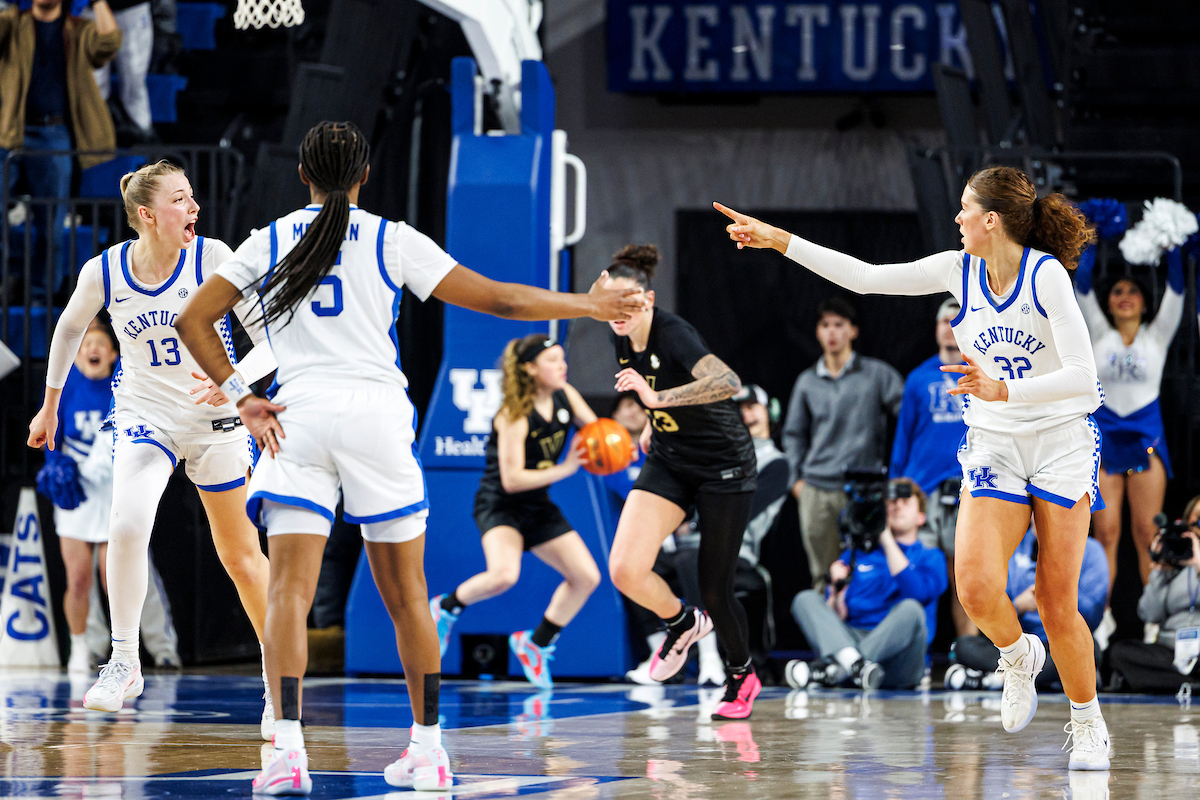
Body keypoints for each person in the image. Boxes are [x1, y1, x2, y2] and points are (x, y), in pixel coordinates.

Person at [173, 121, 645, 795]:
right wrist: (588, 306)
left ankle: (287, 753)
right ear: (365, 176)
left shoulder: (268, 239)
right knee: (409, 599)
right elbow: (503, 299)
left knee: (287, 595)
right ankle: (427, 751)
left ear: (302, 175)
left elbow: (192, 320)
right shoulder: (391, 239)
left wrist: (243, 396)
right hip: (376, 419)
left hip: (297, 416)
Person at [717, 163, 1111, 770]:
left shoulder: (1046, 276)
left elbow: (1084, 381)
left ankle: (1087, 723)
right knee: (974, 589)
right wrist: (780, 241)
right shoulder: (958, 269)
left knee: (1056, 605)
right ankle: (1016, 656)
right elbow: (865, 277)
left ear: (991, 220)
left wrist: (1003, 389)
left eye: (965, 208)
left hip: (1059, 442)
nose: (956, 217)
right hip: (996, 442)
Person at [26, 161, 277, 737]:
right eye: (181, 199)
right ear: (147, 214)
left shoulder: (213, 257)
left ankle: (278, 676)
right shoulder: (106, 269)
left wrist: (235, 380)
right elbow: (68, 330)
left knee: (240, 557)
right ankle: (124, 660)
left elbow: (269, 338)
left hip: (213, 417)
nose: (194, 208)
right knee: (127, 523)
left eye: (192, 197)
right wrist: (49, 404)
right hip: (146, 414)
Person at [600, 243, 761, 720]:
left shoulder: (673, 333)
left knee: (715, 587)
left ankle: (741, 676)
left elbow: (728, 382)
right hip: (671, 459)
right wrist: (655, 421)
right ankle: (682, 622)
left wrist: (657, 401)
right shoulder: (619, 332)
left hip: (723, 465)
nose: (618, 312)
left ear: (648, 300)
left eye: (628, 302)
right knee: (625, 569)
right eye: (610, 303)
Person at [429, 334, 602, 690]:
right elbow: (512, 480)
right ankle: (446, 607)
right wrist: (568, 467)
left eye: (562, 359)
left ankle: (536, 644)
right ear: (531, 369)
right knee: (504, 575)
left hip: (537, 504)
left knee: (586, 577)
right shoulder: (514, 415)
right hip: (501, 504)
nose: (562, 366)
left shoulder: (566, 395)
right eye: (553, 360)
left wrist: (620, 443)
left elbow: (598, 432)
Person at [36, 315, 179, 673]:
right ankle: (83, 649)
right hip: (78, 491)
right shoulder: (65, 385)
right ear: (77, 354)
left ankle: (143, 649)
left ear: (114, 353)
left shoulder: (124, 383)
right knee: (78, 577)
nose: (93, 349)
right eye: (86, 344)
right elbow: (51, 432)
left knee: (115, 574)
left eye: (100, 343)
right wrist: (57, 469)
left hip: (115, 489)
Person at [1075, 247, 1183, 601]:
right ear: (1107, 303)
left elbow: (1177, 290)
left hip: (1145, 439)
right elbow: (1081, 287)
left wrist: (1174, 245)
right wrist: (1092, 242)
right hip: (1104, 440)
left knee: (1147, 534)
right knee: (1105, 534)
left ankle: (1154, 619)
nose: (1125, 296)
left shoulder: (1157, 336)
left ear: (1146, 303)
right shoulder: (1098, 334)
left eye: (1133, 291)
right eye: (1117, 291)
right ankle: (1101, 617)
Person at [783, 297, 903, 592]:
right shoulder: (807, 381)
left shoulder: (876, 374)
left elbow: (908, 414)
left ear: (853, 330)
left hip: (863, 490)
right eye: (825, 325)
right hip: (816, 490)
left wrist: (900, 471)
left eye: (839, 324)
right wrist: (796, 482)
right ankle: (826, 623)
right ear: (817, 332)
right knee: (823, 576)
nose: (832, 332)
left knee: (869, 573)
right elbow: (793, 434)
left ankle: (865, 622)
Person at [0, 0, 120, 294]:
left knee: (52, 222)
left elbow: (109, 43)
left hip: (54, 132)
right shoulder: (13, 24)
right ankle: (7, 278)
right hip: (9, 132)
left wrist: (96, 1)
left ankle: (42, 293)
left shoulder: (78, 29)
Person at [786, 478, 947, 691]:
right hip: (854, 639)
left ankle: (839, 670)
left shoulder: (931, 557)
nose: (897, 505)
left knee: (911, 609)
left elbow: (917, 594)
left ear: (921, 517)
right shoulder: (855, 556)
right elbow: (835, 619)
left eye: (906, 501)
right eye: (892, 501)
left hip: (901, 658)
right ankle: (854, 664)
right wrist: (835, 596)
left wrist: (887, 540)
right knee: (805, 599)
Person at [890, 297, 974, 637]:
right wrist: (896, 486)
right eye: (944, 321)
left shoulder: (982, 375)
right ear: (936, 328)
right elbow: (903, 436)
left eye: (957, 320)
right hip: (921, 491)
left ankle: (967, 652)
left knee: (964, 577)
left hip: (965, 488)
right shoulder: (918, 378)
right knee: (919, 570)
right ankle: (916, 653)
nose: (950, 328)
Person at [946, 524, 1108, 691]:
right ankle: (1041, 679)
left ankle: (999, 680)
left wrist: (1057, 598)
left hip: (1059, 643)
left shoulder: (1091, 550)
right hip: (1018, 644)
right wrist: (1018, 606)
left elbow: (1094, 613)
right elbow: (992, 610)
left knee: (1088, 650)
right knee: (963, 646)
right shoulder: (1013, 546)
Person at [1108, 495, 1200, 693]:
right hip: (1172, 652)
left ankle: (1175, 683)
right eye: (1194, 522)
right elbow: (1150, 614)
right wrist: (1159, 568)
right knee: (1120, 652)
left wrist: (1198, 565)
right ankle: (1188, 684)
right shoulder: (1175, 560)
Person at [88, 0, 155, 142]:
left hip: (132, 8)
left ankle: (142, 133)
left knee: (135, 80)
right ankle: (96, 137)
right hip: (89, 9)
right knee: (94, 85)